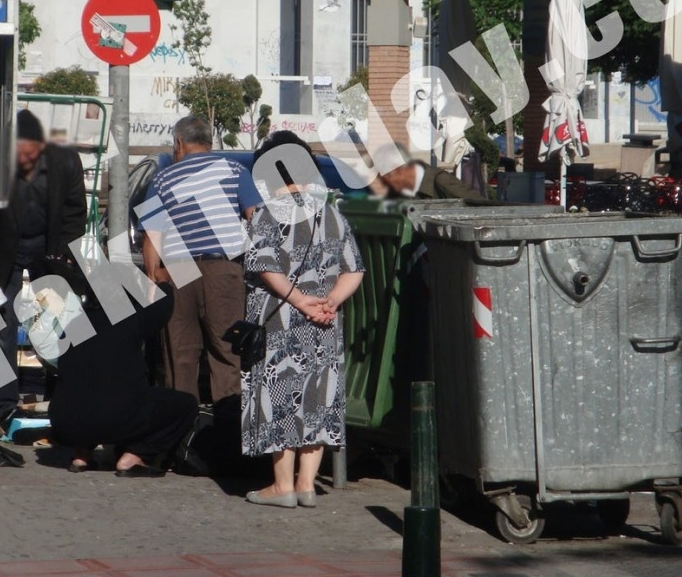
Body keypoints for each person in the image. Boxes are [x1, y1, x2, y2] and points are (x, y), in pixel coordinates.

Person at [241, 131, 365, 509]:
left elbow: (265, 267)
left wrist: (299, 301)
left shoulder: (267, 214)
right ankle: (307, 484)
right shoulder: (332, 214)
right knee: (317, 397)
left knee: (279, 396)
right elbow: (354, 270)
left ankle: (283, 486)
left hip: (280, 322)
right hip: (324, 323)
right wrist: (330, 301)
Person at [0, 108, 87, 429]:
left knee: (63, 323)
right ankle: (3, 405)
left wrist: (66, 256)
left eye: (29, 155)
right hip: (3, 249)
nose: (23, 161)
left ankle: (64, 399)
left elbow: (74, 214)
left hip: (50, 247)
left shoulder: (65, 162)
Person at [141, 115, 262, 405]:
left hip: (178, 270)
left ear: (179, 143)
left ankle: (182, 429)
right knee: (228, 354)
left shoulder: (162, 179)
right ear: (210, 142)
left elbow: (151, 237)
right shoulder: (235, 170)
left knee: (179, 356)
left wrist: (153, 280)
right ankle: (227, 426)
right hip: (223, 267)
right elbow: (257, 220)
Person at [39, 259, 198, 476]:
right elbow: (163, 307)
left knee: (88, 393)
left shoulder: (74, 325)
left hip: (64, 422)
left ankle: (81, 455)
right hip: (114, 417)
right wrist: (164, 283)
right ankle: (134, 457)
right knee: (186, 405)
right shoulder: (131, 318)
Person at [377, 143, 483, 201]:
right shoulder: (398, 194)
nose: (385, 184)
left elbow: (483, 209)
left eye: (386, 178)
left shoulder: (441, 181)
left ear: (398, 170)